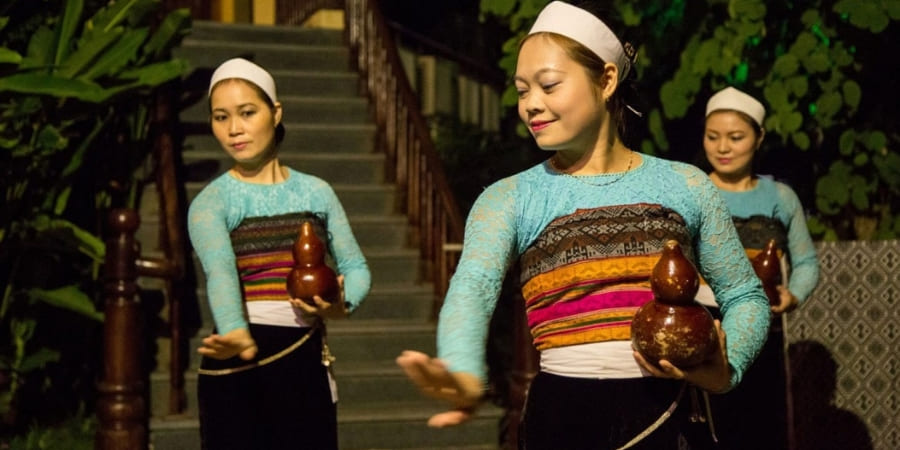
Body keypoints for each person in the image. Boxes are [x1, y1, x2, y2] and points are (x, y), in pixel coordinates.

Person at [396, 2, 771, 449]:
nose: (532, 104)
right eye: (522, 90)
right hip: (562, 417)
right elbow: (472, 287)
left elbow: (745, 295)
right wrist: (462, 368)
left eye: (549, 85)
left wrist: (727, 370)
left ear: (607, 80)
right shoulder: (511, 198)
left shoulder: (684, 184)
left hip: (670, 413)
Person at [187, 57, 371, 449]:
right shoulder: (212, 202)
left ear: (275, 112)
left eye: (247, 113)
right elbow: (219, 273)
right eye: (221, 117)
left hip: (302, 354)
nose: (234, 129)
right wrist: (236, 332)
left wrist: (339, 305)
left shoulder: (316, 192)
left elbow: (355, 266)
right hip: (236, 358)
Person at [700, 86, 820, 450]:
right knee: (707, 426)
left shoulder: (779, 198)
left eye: (735, 137)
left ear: (759, 138)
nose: (723, 148)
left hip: (762, 327)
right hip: (705, 324)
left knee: (759, 427)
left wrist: (793, 295)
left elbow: (807, 262)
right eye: (713, 137)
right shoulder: (694, 189)